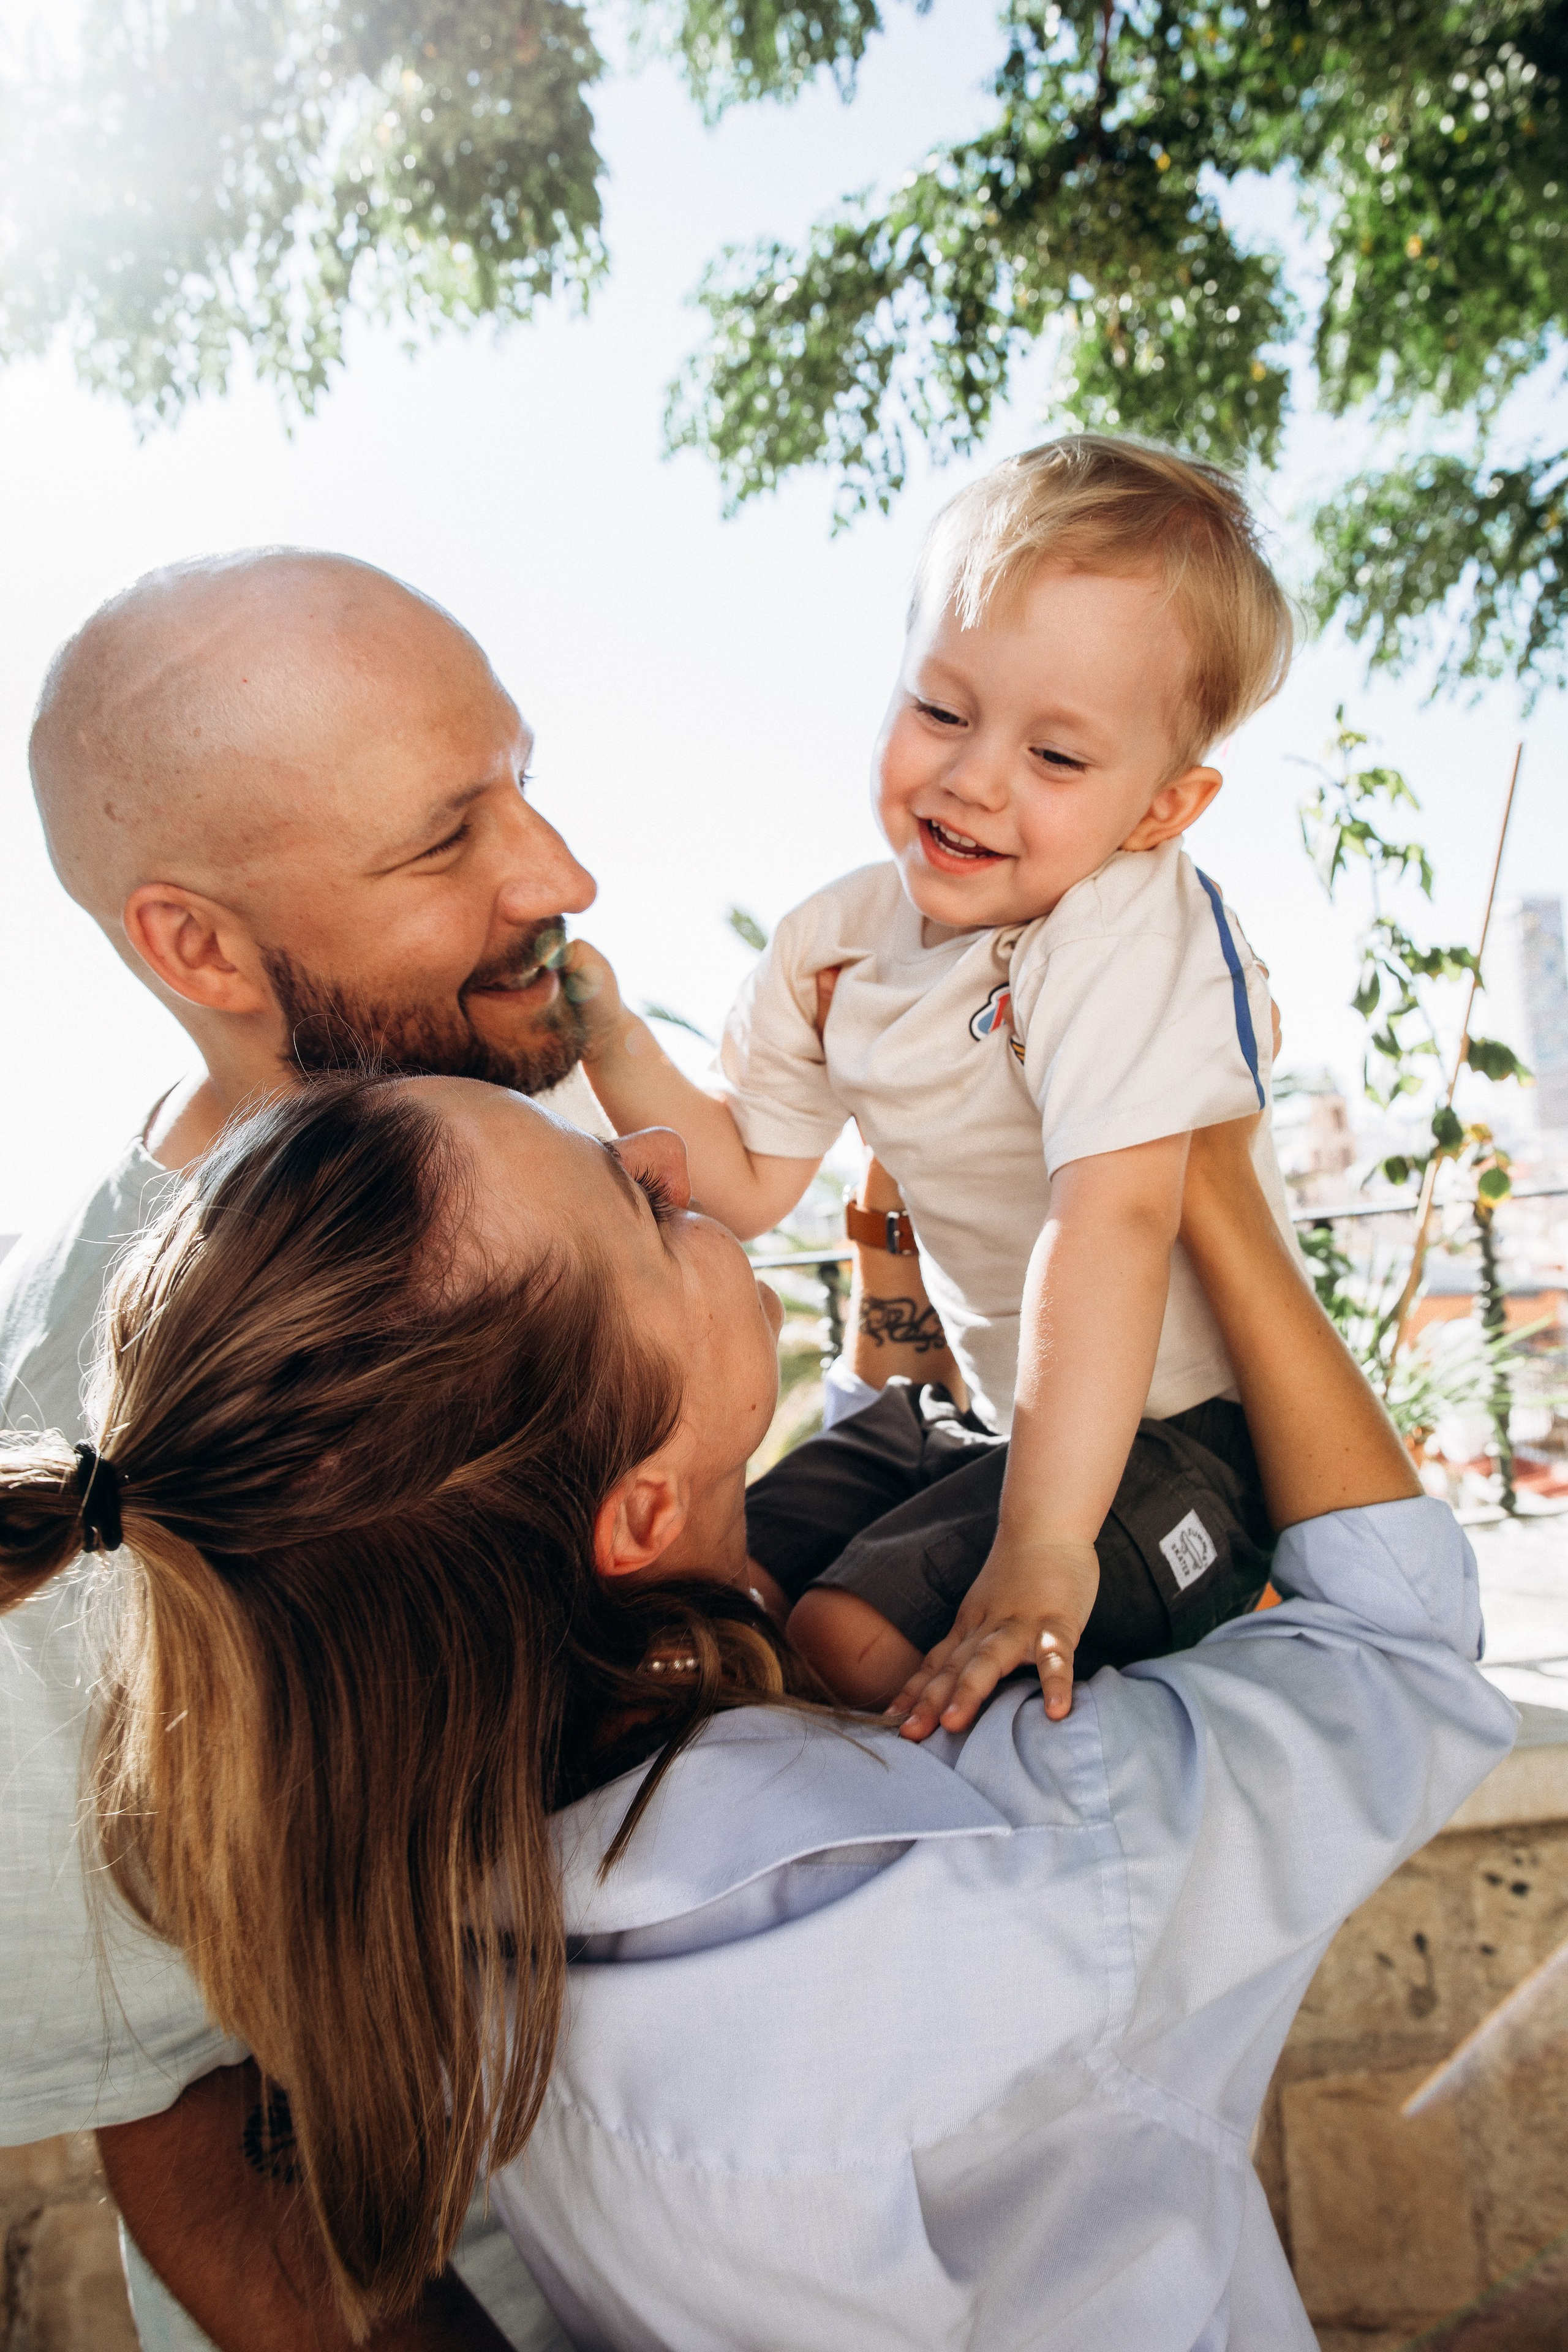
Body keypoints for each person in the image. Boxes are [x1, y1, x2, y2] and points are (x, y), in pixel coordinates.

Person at [0, 1074, 1515, 2348]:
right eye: (639, 1212)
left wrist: (891, 1307)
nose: (664, 1156)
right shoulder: (969, 1869)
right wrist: (1204, 1169)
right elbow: (1394, 1644)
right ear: (638, 1509)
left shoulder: (430, 1901)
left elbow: (794, 1538)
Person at [1, 548, 603, 2349]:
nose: (560, 877)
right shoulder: (88, 1421)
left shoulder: (530, 1177)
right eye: (444, 843)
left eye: (523, 779)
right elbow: (192, 2143)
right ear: (194, 944)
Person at [562, 434, 1302, 1741]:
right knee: (701, 1591)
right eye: (940, 710)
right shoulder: (836, 941)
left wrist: (1043, 1545)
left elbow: (1115, 1218)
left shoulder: (1126, 930)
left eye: (1057, 759)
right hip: (981, 1422)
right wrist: (607, 1034)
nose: (971, 778)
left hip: (1180, 1442)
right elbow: (742, 1181)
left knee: (847, 1637)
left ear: (1157, 811)